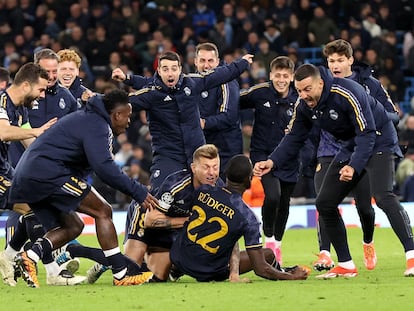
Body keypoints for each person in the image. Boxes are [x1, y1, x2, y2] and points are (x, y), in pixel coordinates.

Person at [254, 63, 414, 278]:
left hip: (378, 139)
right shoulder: (304, 105)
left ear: (320, 83)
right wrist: (272, 161)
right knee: (324, 203)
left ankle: (412, 255)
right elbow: (293, 138)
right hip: (350, 144)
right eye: (299, 90)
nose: (303, 95)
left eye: (307, 89)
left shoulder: (348, 92)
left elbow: (366, 133)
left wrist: (353, 166)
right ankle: (346, 264)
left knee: (383, 196)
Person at [8, 89, 157, 288]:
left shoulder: (88, 118)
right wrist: (137, 190)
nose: (129, 121)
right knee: (103, 210)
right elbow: (104, 168)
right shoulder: (98, 125)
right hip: (47, 174)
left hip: (28, 177)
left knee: (73, 226)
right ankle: (121, 274)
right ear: (117, 115)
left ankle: (30, 256)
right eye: (128, 116)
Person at [312, 39, 400, 271]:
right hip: (329, 151)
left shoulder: (369, 84)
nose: (336, 65)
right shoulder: (323, 85)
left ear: (350, 60)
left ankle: (368, 242)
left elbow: (393, 115)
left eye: (340, 60)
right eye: (331, 61)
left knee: (364, 207)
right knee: (324, 202)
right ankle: (325, 253)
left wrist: (371, 114)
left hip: (362, 149)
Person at [123, 51, 253, 192]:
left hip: (197, 155)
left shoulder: (191, 83)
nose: (170, 73)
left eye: (174, 68)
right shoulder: (150, 95)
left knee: (223, 199)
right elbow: (120, 103)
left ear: (180, 69)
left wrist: (242, 63)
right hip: (168, 157)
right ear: (159, 71)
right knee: (158, 196)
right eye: (165, 69)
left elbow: (220, 74)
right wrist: (96, 99)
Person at [170, 154, 309, 282]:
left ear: (226, 175)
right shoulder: (248, 218)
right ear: (249, 181)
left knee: (266, 254)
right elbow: (261, 269)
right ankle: (285, 272)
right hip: (208, 272)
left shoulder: (204, 190)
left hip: (178, 258)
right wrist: (291, 277)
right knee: (266, 254)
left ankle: (174, 271)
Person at [121, 144, 223, 283]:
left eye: (215, 167)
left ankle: (169, 266)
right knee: (128, 274)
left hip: (171, 227)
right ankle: (109, 261)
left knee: (158, 279)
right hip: (145, 214)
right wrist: (190, 220)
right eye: (206, 167)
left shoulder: (220, 191)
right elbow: (150, 221)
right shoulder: (176, 185)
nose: (212, 172)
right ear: (194, 168)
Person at [0, 63, 57, 286]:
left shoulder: (21, 108)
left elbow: (27, 141)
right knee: (32, 207)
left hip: (5, 170)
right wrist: (36, 130)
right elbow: (3, 133)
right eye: (40, 90)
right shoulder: (2, 101)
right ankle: (51, 270)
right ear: (25, 85)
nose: (42, 96)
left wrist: (52, 159)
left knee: (34, 206)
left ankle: (9, 255)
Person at [239, 56, 300, 264]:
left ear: (291, 77)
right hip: (263, 156)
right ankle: (269, 238)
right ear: (271, 75)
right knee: (273, 196)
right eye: (277, 75)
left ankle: (278, 244)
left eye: (285, 76)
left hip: (290, 158)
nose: (281, 79)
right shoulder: (259, 92)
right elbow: (234, 101)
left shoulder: (299, 97)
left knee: (284, 203)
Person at [194, 42, 243, 179]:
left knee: (227, 194)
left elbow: (228, 116)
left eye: (210, 61)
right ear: (195, 62)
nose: (206, 65)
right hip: (202, 147)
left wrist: (204, 123)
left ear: (218, 61)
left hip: (226, 148)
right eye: (202, 61)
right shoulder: (191, 83)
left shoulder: (226, 81)